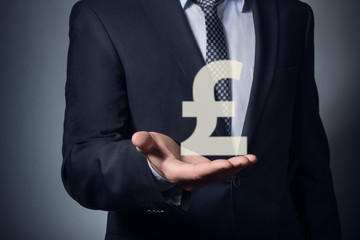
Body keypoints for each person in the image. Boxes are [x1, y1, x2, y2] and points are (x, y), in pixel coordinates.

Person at [62, 0, 341, 239]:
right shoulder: (104, 13)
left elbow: (309, 162)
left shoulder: (292, 15)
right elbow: (81, 166)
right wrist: (154, 171)